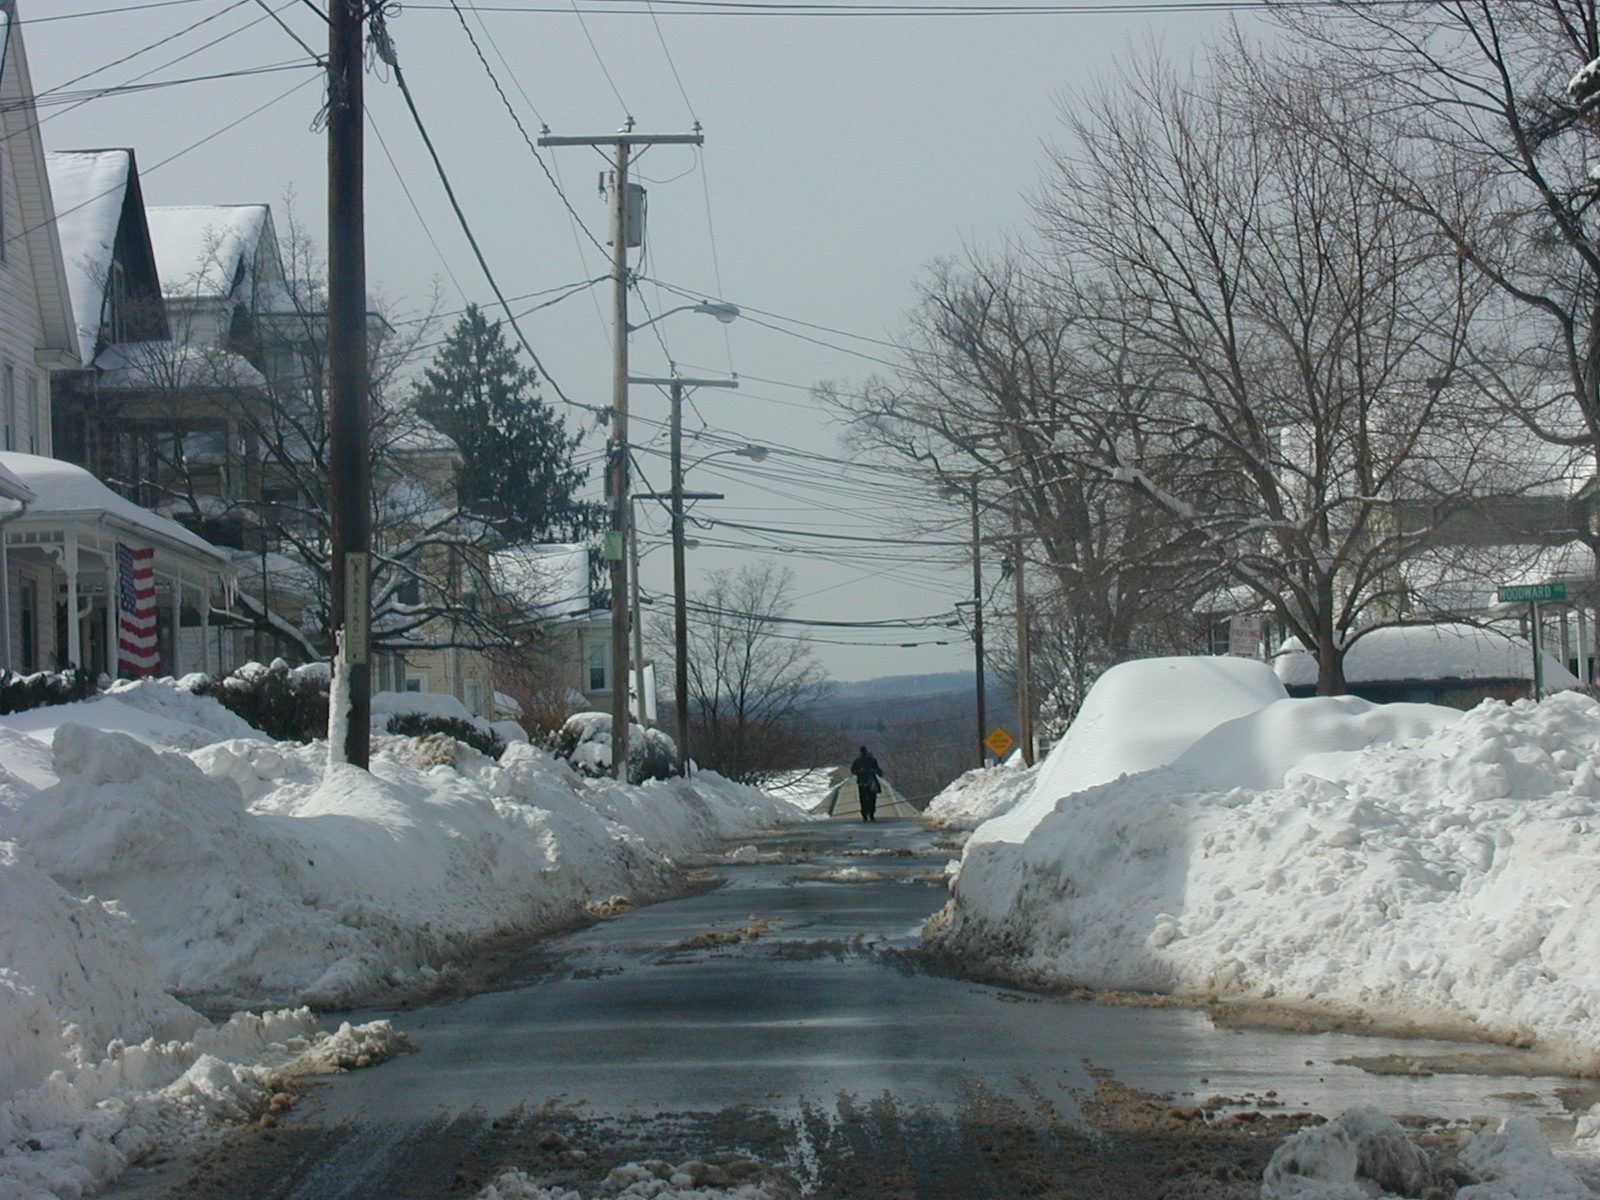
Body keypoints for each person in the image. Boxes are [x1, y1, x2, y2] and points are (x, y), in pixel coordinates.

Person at [851, 745, 883, 823]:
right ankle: (866, 815)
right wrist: (859, 771)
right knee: (865, 799)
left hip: (870, 782)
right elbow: (853, 770)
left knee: (869, 799)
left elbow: (878, 771)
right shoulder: (858, 761)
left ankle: (870, 814)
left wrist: (874, 771)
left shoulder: (872, 760)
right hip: (863, 782)